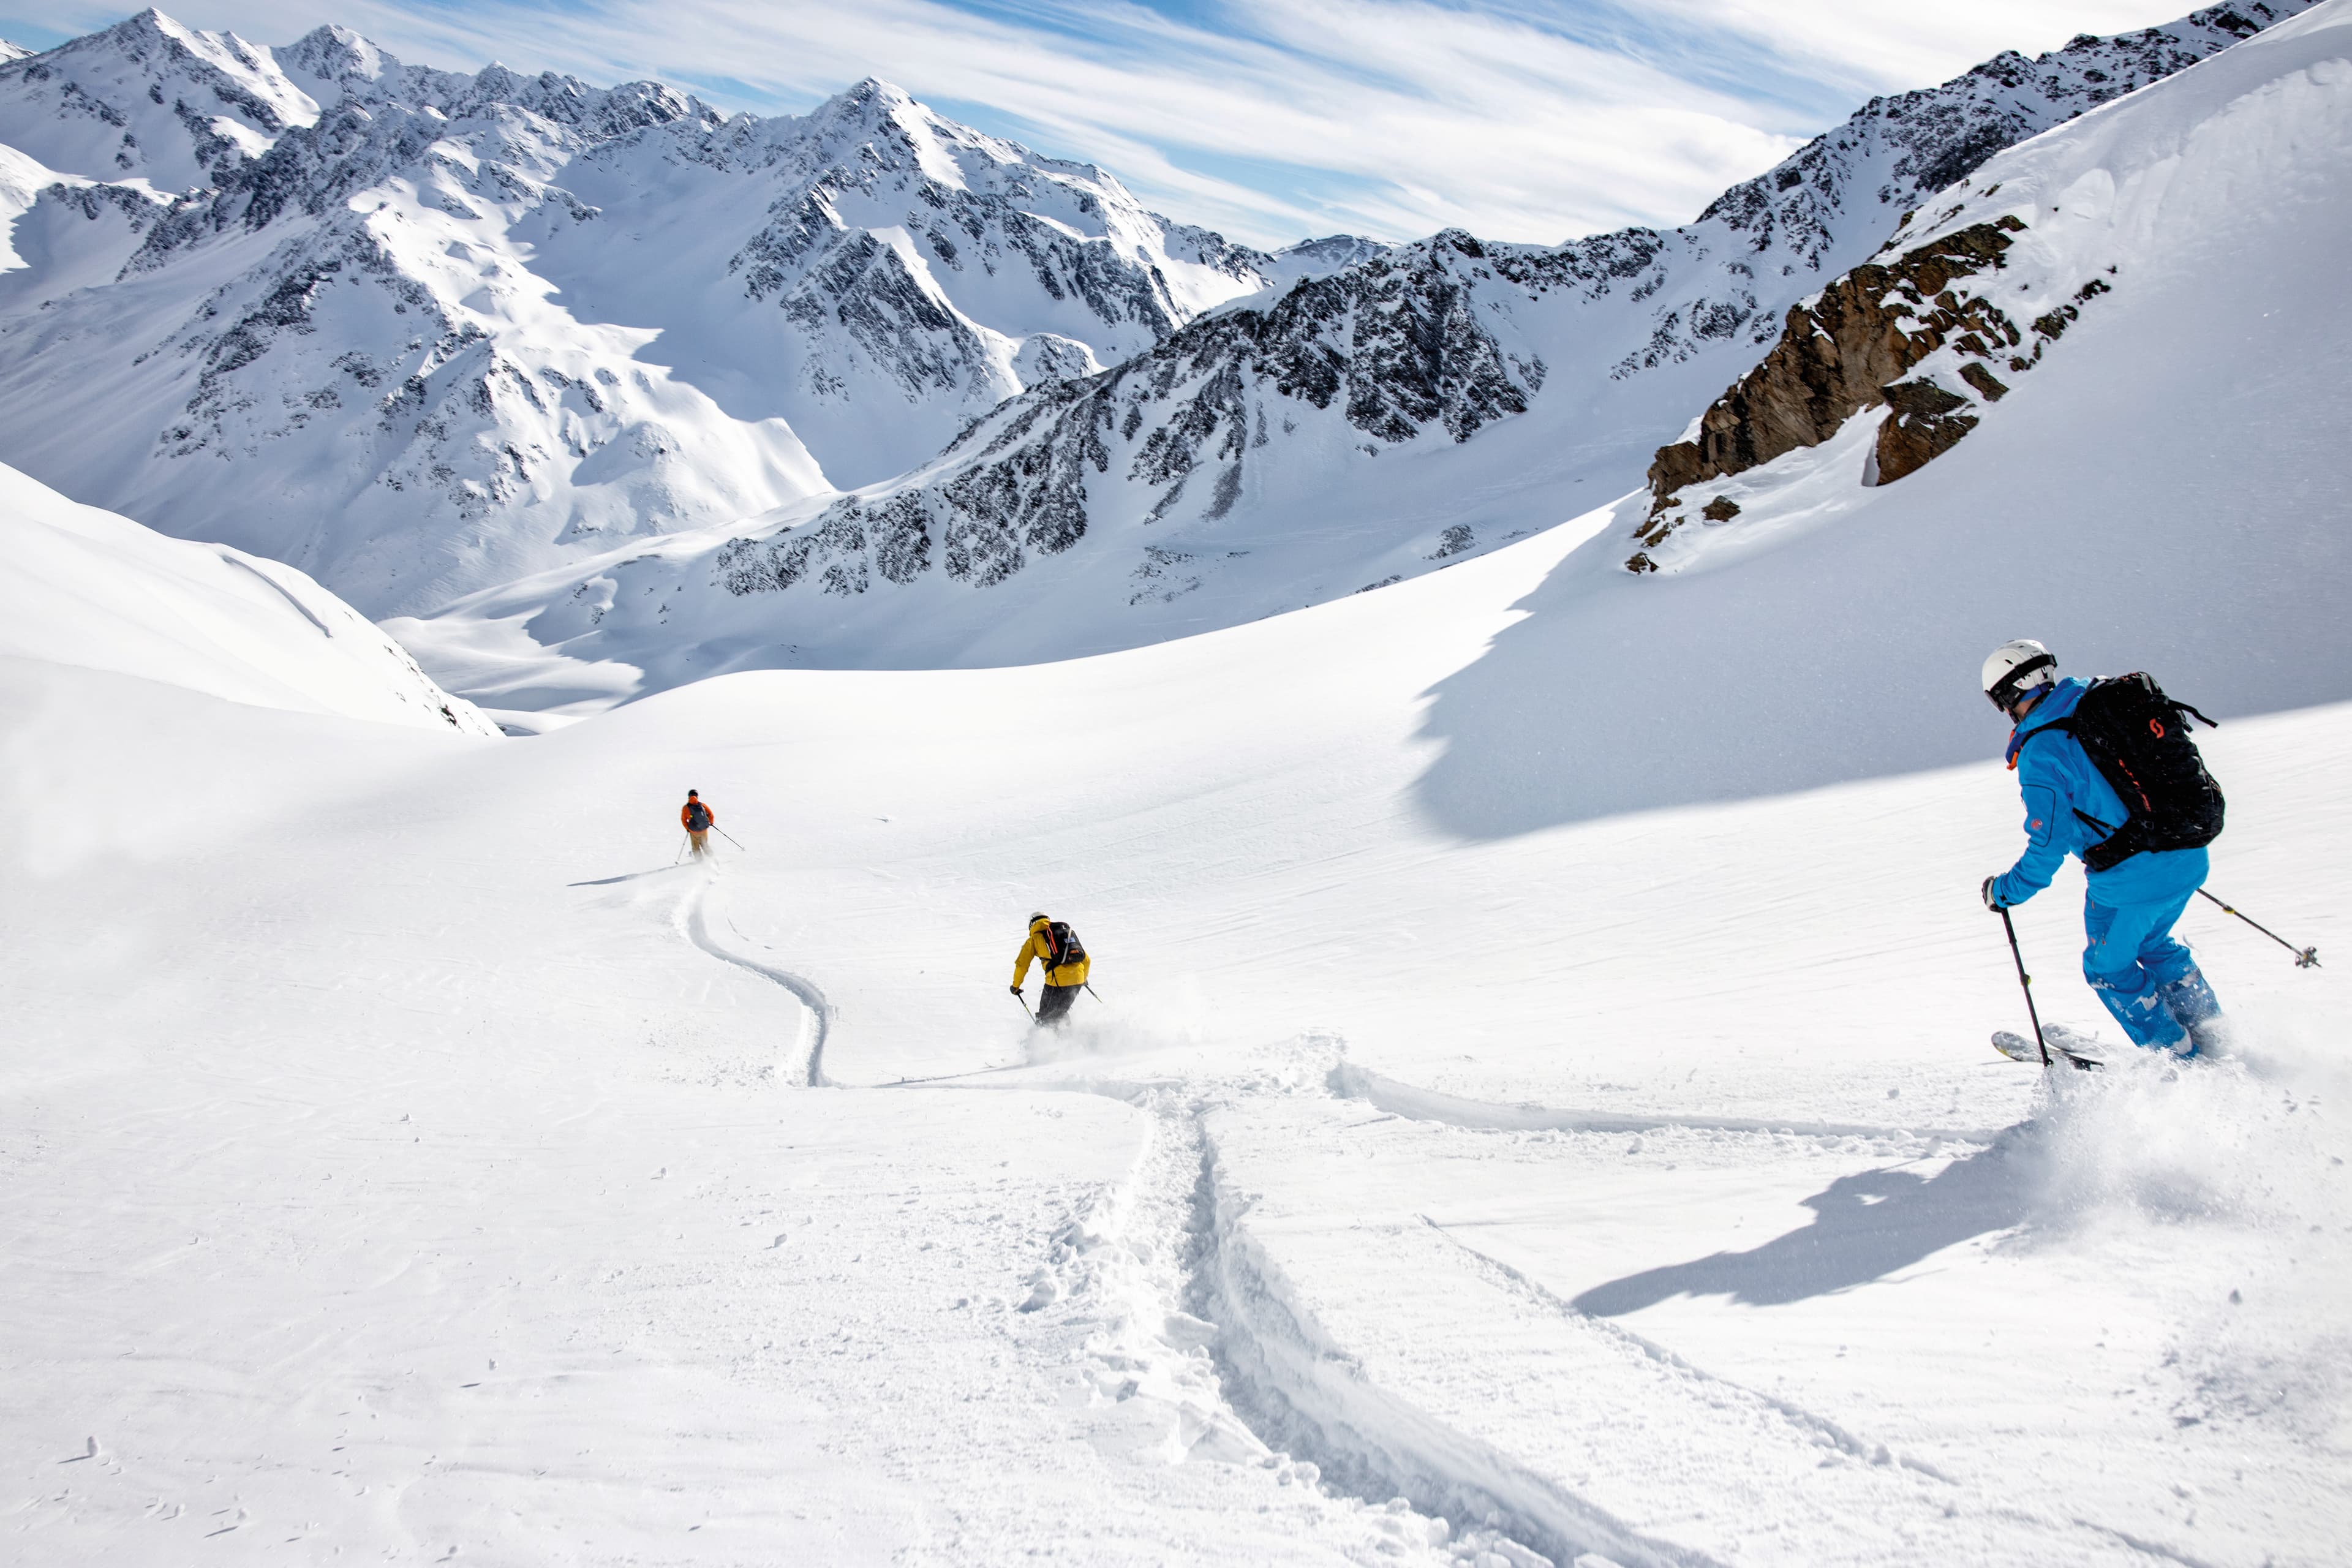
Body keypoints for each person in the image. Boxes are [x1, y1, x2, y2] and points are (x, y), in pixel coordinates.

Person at [1979, 641, 2225, 1057]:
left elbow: (2047, 846)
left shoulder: (2041, 749)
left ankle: (2182, 1062)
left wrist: (2004, 892)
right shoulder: (2097, 699)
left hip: (2131, 878)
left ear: (2008, 694)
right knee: (2153, 945)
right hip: (2187, 851)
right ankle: (2215, 1035)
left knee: (2107, 968)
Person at [1011, 912, 1090, 1027]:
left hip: (1057, 983)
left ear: (1032, 925)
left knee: (1045, 1017)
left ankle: (1045, 1036)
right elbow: (1087, 960)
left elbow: (1022, 965)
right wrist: (1083, 979)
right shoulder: (1064, 934)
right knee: (1060, 1012)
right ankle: (1069, 1034)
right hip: (1077, 981)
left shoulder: (1035, 939)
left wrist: (1016, 986)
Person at [680, 790, 716, 858]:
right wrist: (711, 823)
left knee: (696, 847)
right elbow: (711, 815)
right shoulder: (702, 805)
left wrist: (688, 828)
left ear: (689, 796)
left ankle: (700, 861)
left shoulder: (686, 808)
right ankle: (713, 858)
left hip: (694, 831)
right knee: (705, 845)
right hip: (704, 829)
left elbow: (683, 820)